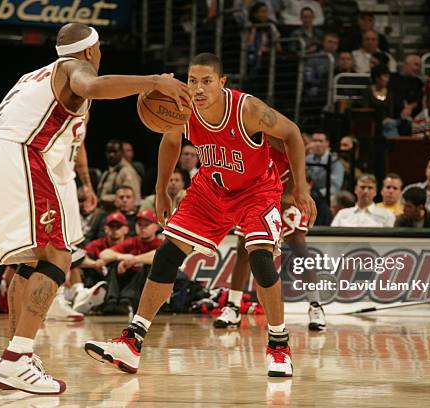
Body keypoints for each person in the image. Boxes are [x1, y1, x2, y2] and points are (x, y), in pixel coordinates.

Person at [0, 22, 191, 395]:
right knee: (58, 254)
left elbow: (69, 140)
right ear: (92, 50)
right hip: (21, 154)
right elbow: (91, 87)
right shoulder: (74, 68)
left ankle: (13, 354)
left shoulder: (31, 78)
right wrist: (154, 81)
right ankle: (17, 359)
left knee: (28, 260)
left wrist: (84, 184)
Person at [84, 53, 316, 378]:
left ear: (222, 82)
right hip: (210, 189)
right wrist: (162, 189)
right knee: (166, 255)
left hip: (256, 191)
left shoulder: (246, 109)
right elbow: (169, 143)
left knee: (261, 259)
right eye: (193, 80)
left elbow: (291, 133)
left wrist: (301, 188)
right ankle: (132, 342)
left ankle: (279, 345)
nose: (198, 88)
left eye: (206, 81)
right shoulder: (183, 108)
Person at [214, 140, 326, 331]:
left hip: (283, 195)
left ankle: (316, 306)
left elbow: (296, 160)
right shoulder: (244, 136)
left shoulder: (277, 134)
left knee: (300, 248)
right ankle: (233, 307)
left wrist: (292, 192)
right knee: (243, 250)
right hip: (256, 197)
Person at [97, 139, 142, 209]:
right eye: (109, 152)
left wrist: (103, 198)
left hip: (122, 213)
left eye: (115, 152)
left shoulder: (127, 172)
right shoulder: (107, 172)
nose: (111, 155)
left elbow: (132, 198)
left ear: (121, 153)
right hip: (104, 210)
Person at [305, 132, 344, 198]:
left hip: (327, 197)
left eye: (320, 141)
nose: (317, 144)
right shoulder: (308, 159)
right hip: (310, 195)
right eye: (314, 141)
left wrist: (316, 194)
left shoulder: (335, 161)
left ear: (327, 143)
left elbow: (335, 187)